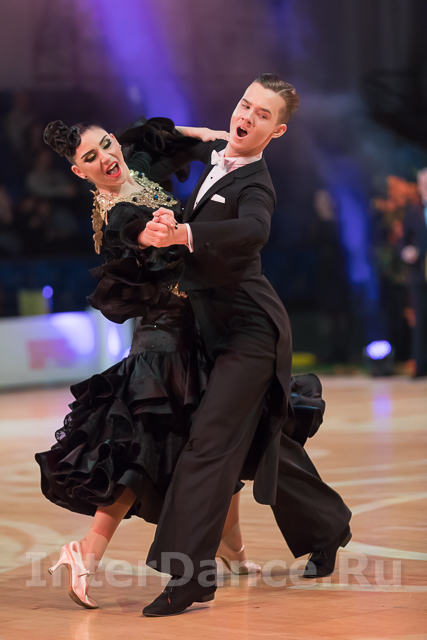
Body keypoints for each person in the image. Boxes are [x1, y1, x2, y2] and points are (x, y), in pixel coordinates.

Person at [141, 74, 352, 617]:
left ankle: (191, 577)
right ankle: (327, 527)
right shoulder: (218, 157)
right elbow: (144, 140)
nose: (248, 117)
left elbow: (254, 231)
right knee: (261, 442)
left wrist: (185, 234)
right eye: (245, 105)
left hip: (252, 331)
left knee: (209, 441)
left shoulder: (257, 184)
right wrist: (194, 137)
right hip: (215, 326)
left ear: (276, 132)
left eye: (263, 115)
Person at [35, 117, 260, 611]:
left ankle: (234, 550)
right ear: (78, 172)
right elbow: (134, 232)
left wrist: (205, 136)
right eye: (90, 158)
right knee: (145, 453)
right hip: (164, 344)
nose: (105, 159)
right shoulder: (117, 212)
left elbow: (152, 136)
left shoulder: (135, 168)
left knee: (218, 445)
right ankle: (86, 553)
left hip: (196, 332)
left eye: (106, 145)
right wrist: (157, 234)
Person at [401, 168, 427, 377]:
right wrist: (406, 251)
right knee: (420, 320)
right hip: (419, 274)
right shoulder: (411, 213)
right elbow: (402, 242)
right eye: (423, 183)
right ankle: (421, 365)